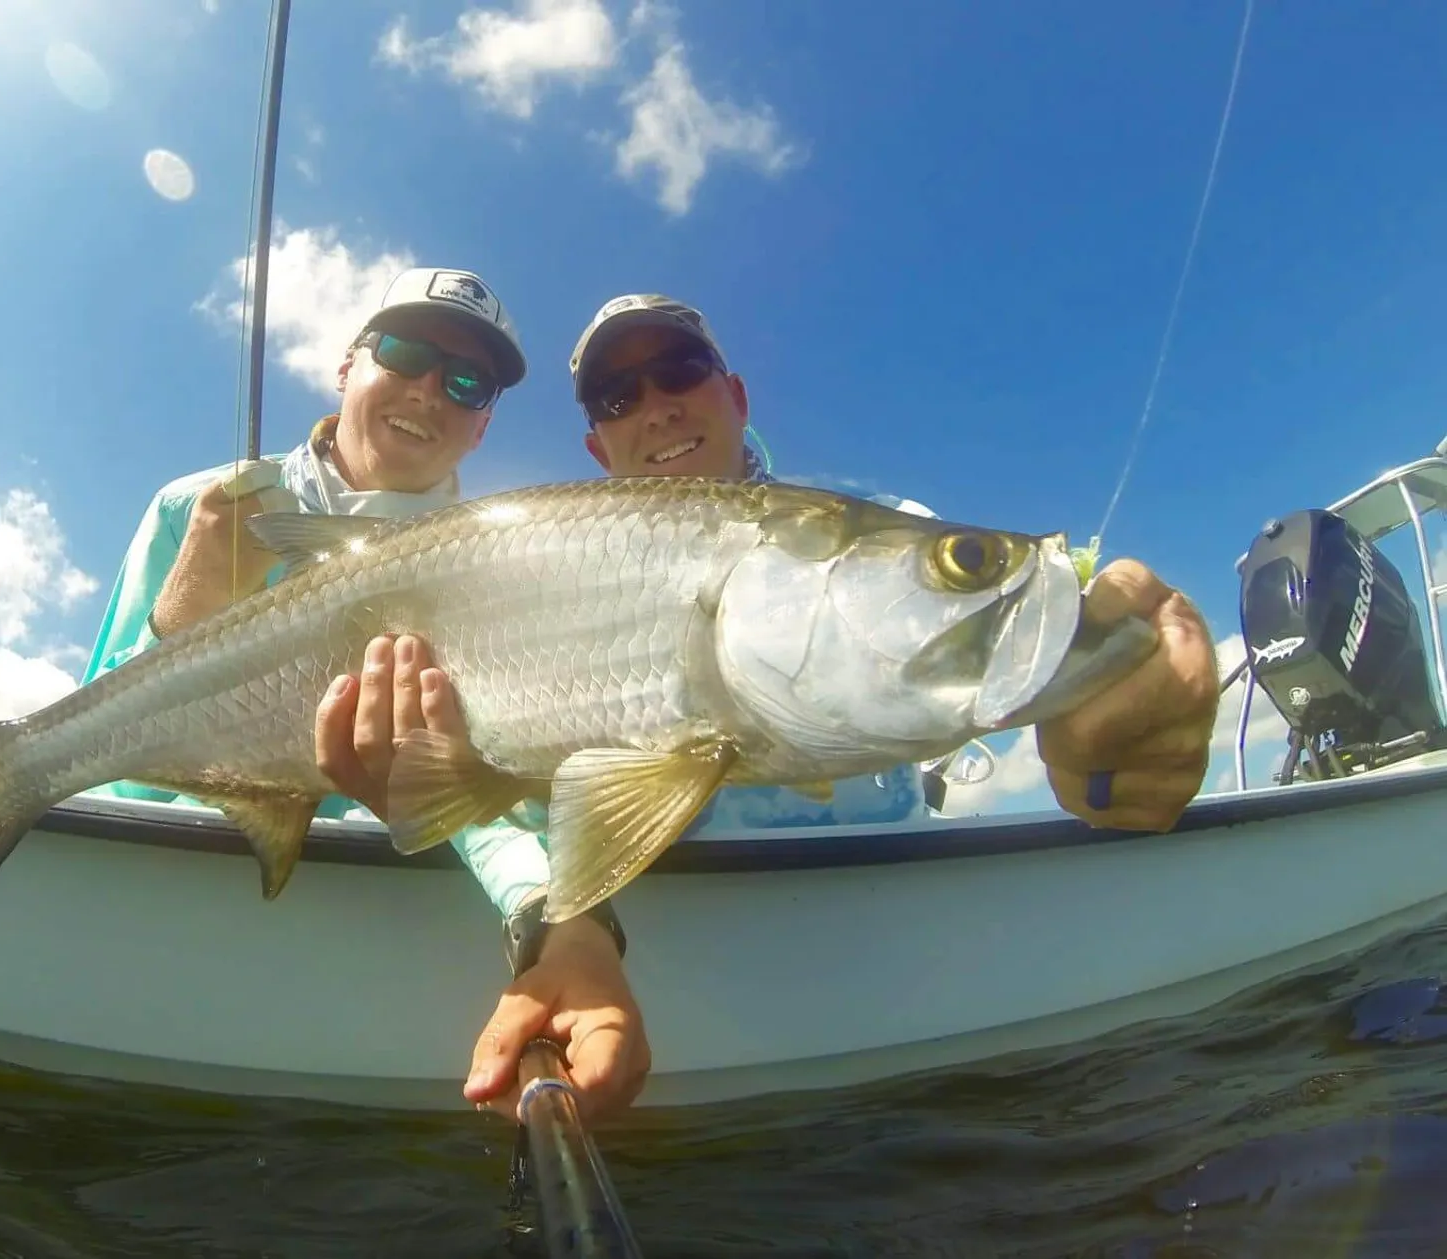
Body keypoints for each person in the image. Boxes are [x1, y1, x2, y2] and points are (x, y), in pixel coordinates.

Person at [312, 292, 1221, 1123]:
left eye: (678, 371)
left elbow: (1017, 654)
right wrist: (542, 895)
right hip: (629, 1012)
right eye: (617, 397)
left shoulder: (876, 517)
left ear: (735, 394)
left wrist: (1117, 698)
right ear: (598, 447)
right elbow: (518, 803)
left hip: (892, 1000)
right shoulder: (534, 558)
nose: (657, 404)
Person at [77, 266, 528, 820]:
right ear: (346, 365)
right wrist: (179, 621)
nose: (427, 391)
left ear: (482, 428)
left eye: (467, 383)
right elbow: (89, 778)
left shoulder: (511, 568)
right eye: (406, 354)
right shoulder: (192, 509)